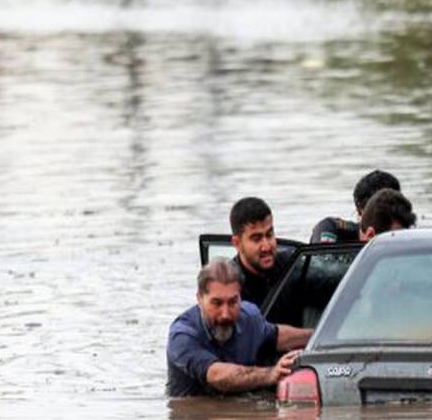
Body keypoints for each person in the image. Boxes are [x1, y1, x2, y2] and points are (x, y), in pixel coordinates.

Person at [167, 259, 312, 397]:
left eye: (232, 302)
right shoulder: (182, 335)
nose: (225, 314)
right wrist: (270, 374)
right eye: (217, 303)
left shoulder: (249, 317)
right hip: (195, 418)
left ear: (240, 297)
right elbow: (216, 375)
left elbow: (278, 336)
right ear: (200, 299)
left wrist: (320, 335)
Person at [229, 196, 292, 306]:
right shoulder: (229, 287)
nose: (266, 247)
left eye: (269, 235)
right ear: (237, 244)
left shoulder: (291, 265)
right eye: (256, 239)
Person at [310, 169, 401, 244]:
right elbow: (319, 262)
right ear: (360, 211)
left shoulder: (408, 237)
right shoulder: (331, 229)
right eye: (379, 212)